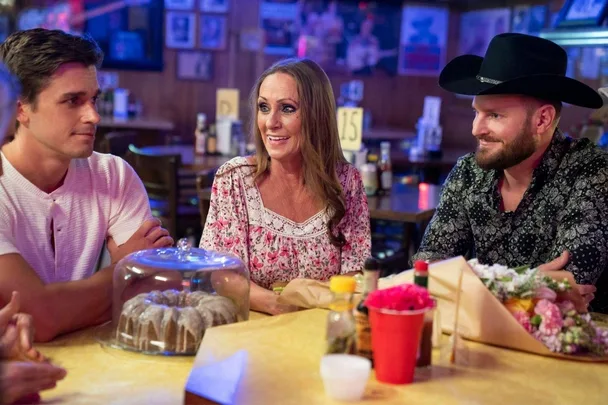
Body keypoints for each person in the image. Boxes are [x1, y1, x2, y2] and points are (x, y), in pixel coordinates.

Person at [412, 33, 608, 313]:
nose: (476, 129)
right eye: (476, 113)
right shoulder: (469, 172)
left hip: (574, 347)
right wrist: (523, 285)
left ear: (542, 119)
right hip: (484, 335)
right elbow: (427, 270)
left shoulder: (592, 171)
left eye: (494, 115)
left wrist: (468, 280)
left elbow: (570, 287)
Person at [0, 28, 172, 343]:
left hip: (98, 365)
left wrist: (62, 306)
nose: (93, 116)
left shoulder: (113, 174)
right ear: (21, 108)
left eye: (93, 99)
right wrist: (127, 267)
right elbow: (39, 317)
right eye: (72, 101)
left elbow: (152, 283)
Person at [200, 58, 371, 315]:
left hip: (323, 328)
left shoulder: (347, 182)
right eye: (264, 107)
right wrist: (281, 306)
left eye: (287, 109)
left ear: (317, 116)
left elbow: (353, 275)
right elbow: (221, 275)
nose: (271, 122)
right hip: (253, 332)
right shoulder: (234, 180)